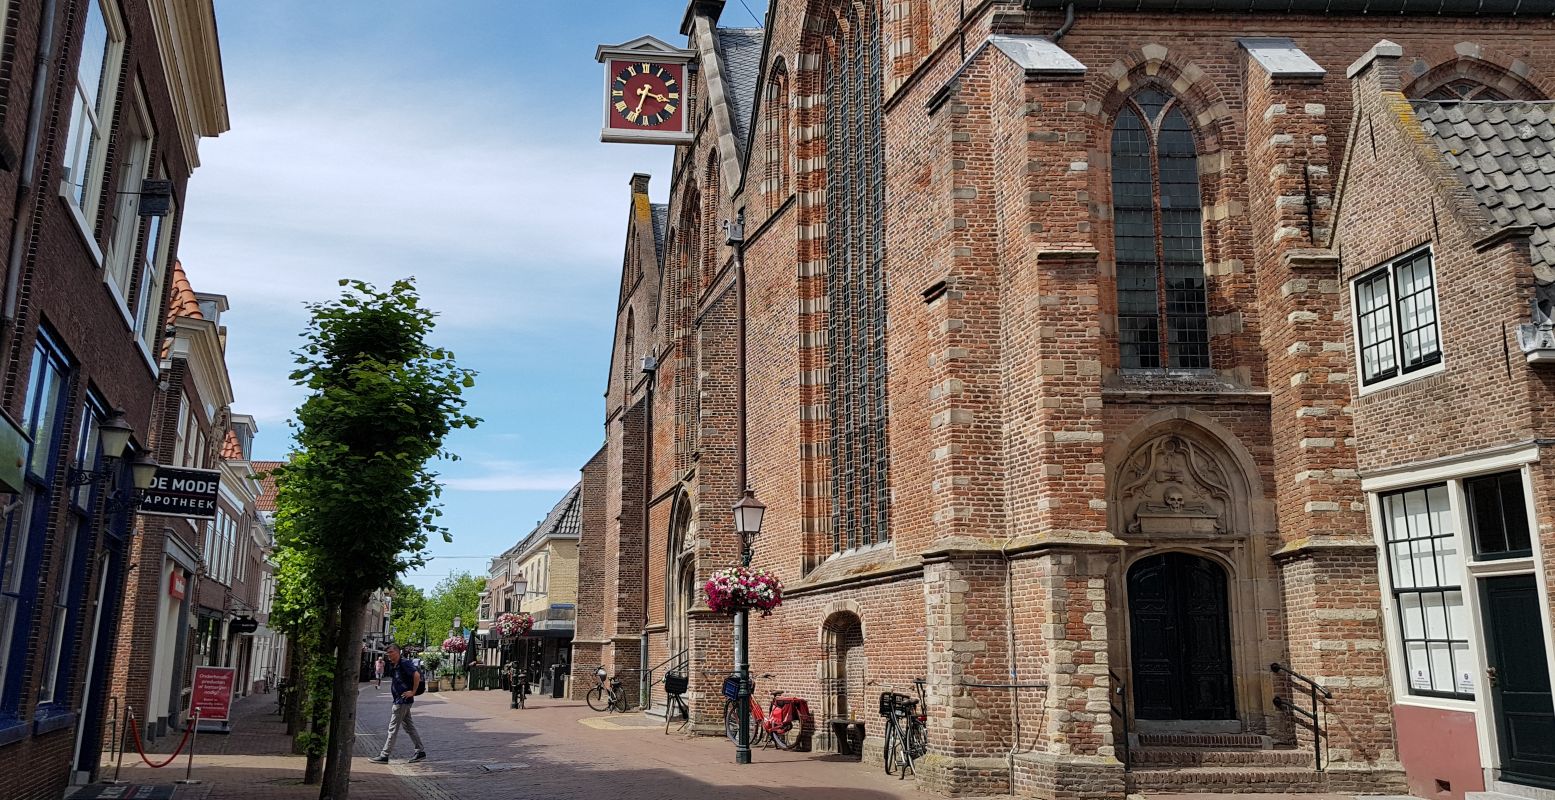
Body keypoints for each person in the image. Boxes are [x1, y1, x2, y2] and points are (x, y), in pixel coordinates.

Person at [369, 644, 427, 764]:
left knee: (393, 728)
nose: (388, 655)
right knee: (409, 727)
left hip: (402, 701)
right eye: (387, 653)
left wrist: (413, 692)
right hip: (400, 700)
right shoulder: (395, 664)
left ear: (396, 652)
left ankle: (385, 755)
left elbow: (416, 675)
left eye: (390, 652)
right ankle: (420, 751)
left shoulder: (404, 663)